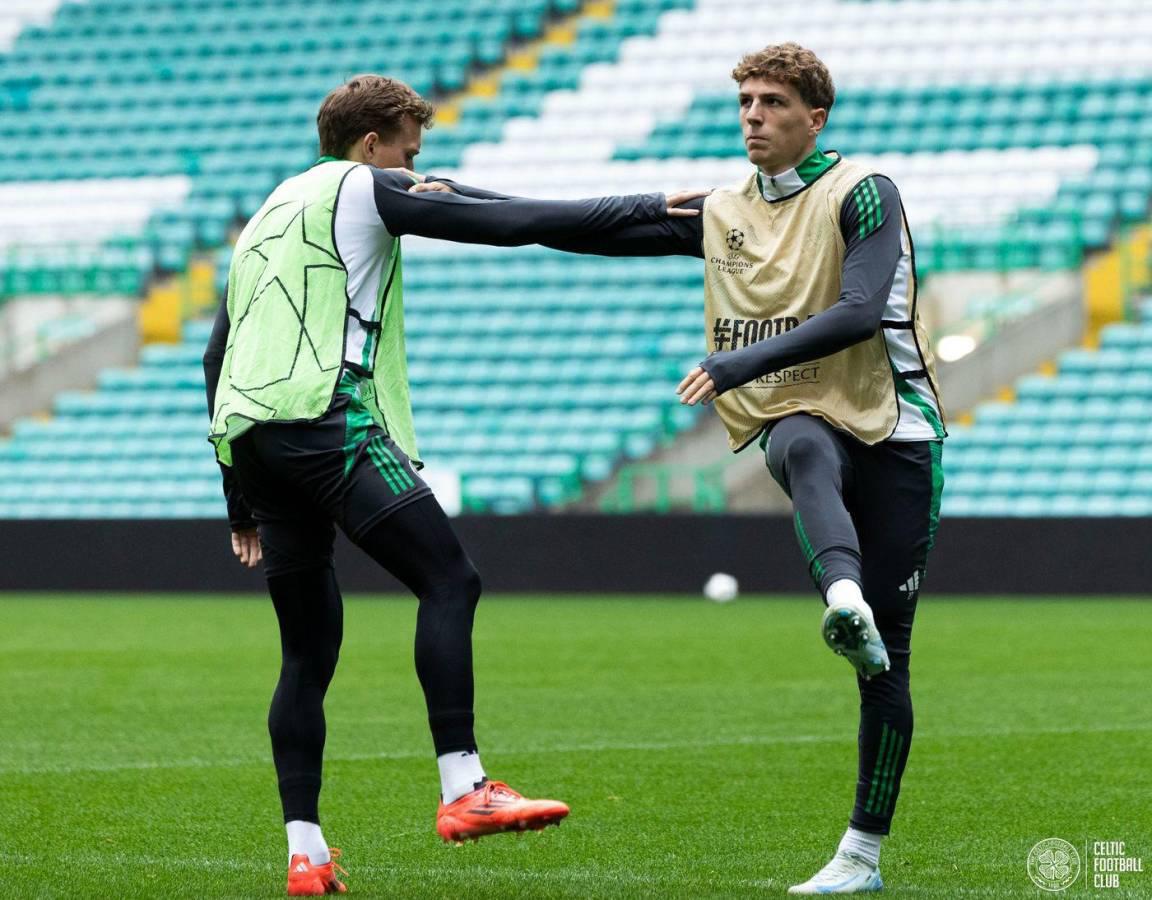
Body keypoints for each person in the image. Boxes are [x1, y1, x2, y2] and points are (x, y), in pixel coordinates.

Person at [202, 73, 702, 896]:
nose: (414, 169)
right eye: (408, 153)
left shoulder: (264, 219)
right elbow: (513, 222)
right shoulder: (366, 188)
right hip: (325, 418)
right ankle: (464, 786)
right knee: (449, 578)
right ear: (371, 146)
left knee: (306, 655)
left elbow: (215, 357)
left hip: (255, 442)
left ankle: (306, 852)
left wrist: (238, 500)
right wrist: (651, 209)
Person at [484, 42, 945, 896]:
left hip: (897, 428)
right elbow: (590, 222)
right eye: (745, 103)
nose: (754, 118)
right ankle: (842, 596)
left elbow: (858, 311)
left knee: (887, 666)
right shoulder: (729, 208)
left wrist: (738, 364)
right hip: (804, 411)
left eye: (773, 103)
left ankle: (862, 854)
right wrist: (456, 201)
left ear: (816, 117)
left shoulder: (865, 192)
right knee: (795, 440)